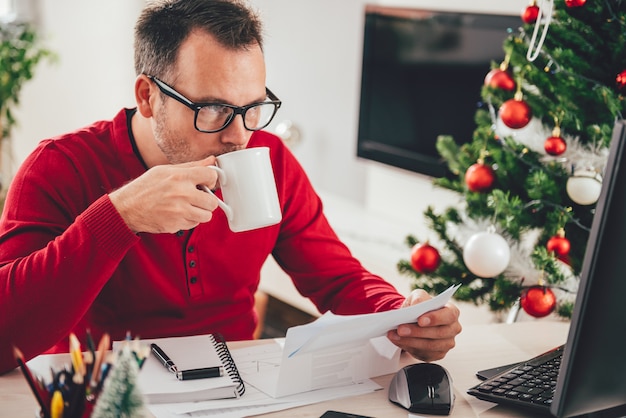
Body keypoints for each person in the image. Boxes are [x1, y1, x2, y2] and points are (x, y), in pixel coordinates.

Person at [0, 0, 461, 375]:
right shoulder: (59, 168)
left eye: (253, 107)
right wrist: (120, 216)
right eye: (214, 109)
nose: (239, 135)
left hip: (236, 389)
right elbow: (5, 340)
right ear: (147, 96)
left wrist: (402, 315)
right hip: (104, 392)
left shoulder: (271, 160)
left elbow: (338, 279)